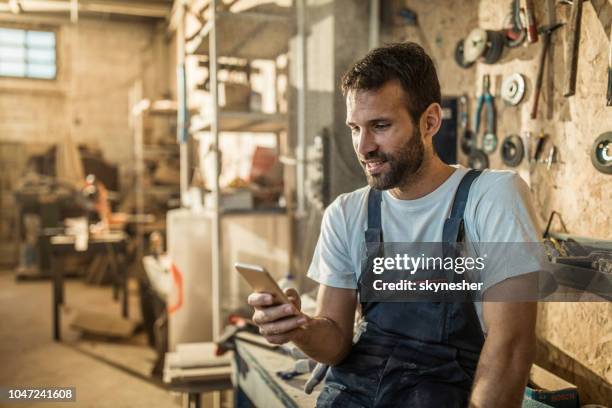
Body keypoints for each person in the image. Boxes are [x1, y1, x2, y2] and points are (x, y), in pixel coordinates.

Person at [248, 42, 543, 407]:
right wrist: (299, 328)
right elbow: (336, 339)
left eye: (380, 126)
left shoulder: (492, 197)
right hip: (354, 393)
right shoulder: (345, 213)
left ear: (430, 121)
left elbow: (511, 345)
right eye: (355, 128)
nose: (363, 146)